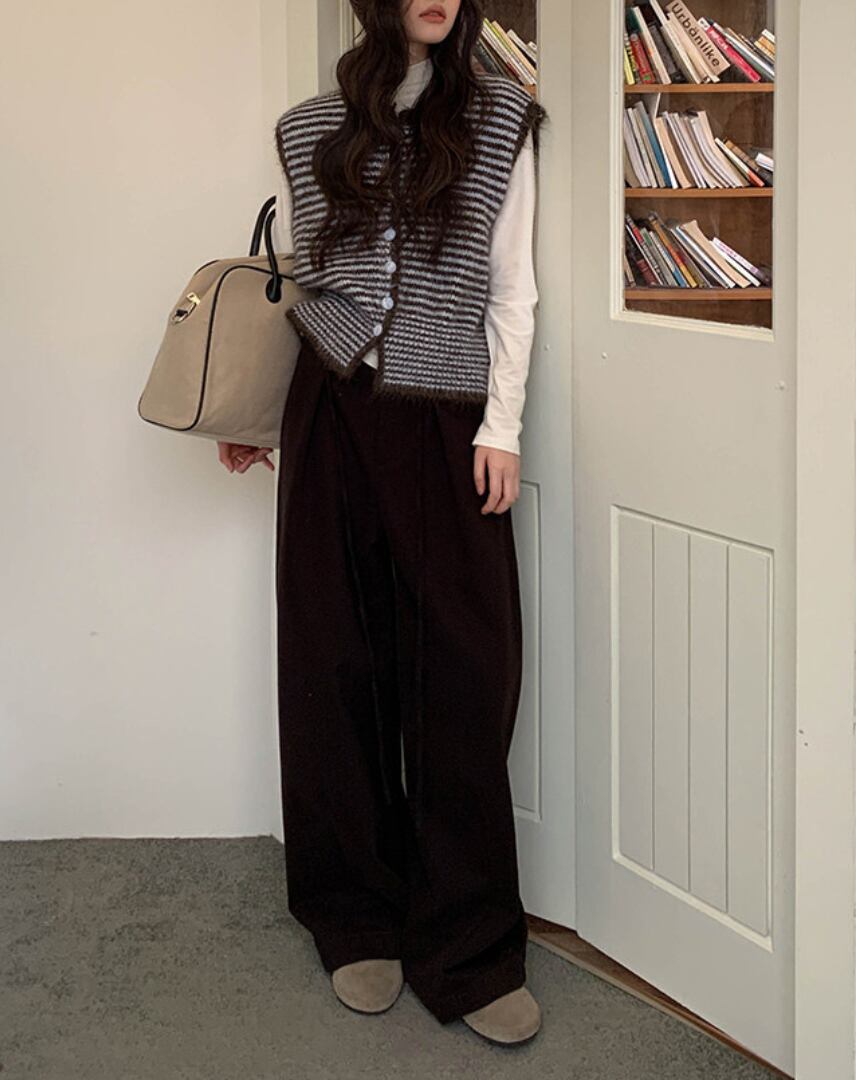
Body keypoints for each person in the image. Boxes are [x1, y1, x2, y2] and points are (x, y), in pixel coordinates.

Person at [217, 0, 547, 1046]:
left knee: (464, 667)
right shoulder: (308, 126)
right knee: (333, 654)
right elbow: (300, 281)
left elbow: (513, 289)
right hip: (329, 406)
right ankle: (353, 913)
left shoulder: (500, 118)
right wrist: (261, 419)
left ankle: (469, 942)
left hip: (447, 416)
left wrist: (503, 426)